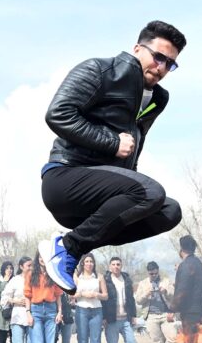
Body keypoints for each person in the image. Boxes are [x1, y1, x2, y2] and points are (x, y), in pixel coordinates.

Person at [39, 21, 187, 293]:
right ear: (137, 49)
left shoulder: (158, 98)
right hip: (66, 177)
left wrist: (131, 178)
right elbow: (58, 114)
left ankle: (76, 242)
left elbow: (136, 144)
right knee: (150, 192)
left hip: (103, 194)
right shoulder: (101, 70)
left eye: (171, 64)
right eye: (158, 57)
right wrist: (111, 143)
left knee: (169, 210)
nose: (162, 68)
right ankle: (66, 248)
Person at [25, 251, 64, 343]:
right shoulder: (30, 274)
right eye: (40, 256)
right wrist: (28, 313)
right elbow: (27, 295)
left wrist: (60, 312)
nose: (42, 259)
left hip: (51, 311)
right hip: (35, 310)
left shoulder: (53, 273)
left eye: (45, 256)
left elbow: (59, 295)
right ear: (38, 258)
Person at [73, 253, 108, 343]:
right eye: (87, 261)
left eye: (91, 261)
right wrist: (82, 294)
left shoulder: (99, 277)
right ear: (82, 263)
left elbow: (105, 296)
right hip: (81, 310)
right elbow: (72, 296)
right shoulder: (77, 277)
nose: (89, 264)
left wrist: (96, 294)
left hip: (96, 311)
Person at [103, 257, 139, 343]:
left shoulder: (127, 279)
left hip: (125, 319)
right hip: (112, 320)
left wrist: (133, 315)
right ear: (109, 266)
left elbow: (131, 299)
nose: (116, 266)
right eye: (113, 264)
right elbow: (103, 301)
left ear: (121, 266)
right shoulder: (106, 280)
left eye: (118, 264)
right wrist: (104, 318)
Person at [1, 257, 34, 343]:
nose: (30, 268)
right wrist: (15, 301)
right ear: (21, 266)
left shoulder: (35, 279)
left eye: (32, 265)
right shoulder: (15, 280)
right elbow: (4, 296)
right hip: (18, 316)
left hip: (32, 316)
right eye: (28, 266)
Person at [134, 261, 170, 343]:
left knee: (172, 339)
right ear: (148, 273)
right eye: (151, 274)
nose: (153, 276)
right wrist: (146, 294)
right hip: (151, 316)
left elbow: (174, 296)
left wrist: (166, 291)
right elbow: (138, 301)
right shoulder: (143, 283)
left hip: (166, 314)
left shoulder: (166, 281)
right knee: (157, 341)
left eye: (155, 273)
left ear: (158, 270)